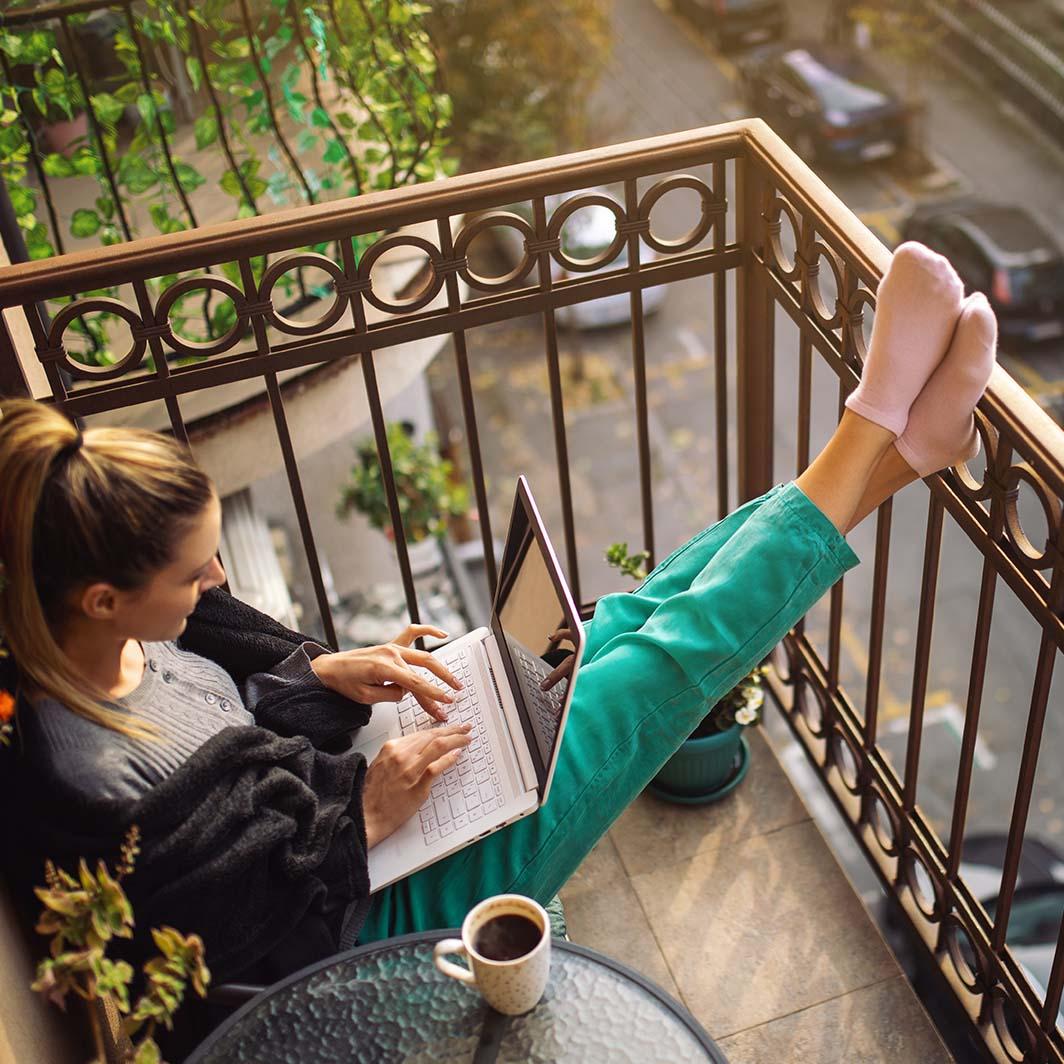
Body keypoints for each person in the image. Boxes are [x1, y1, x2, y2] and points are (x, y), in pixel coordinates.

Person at [0, 244, 996, 995]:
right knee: (647, 673)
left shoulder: (134, 642)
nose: (215, 579)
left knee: (619, 622)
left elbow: (244, 716)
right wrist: (358, 822)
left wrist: (322, 677)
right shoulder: (81, 771)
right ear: (99, 597)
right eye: (189, 571)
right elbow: (229, 931)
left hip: (368, 810)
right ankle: (872, 427)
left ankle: (906, 449)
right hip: (369, 923)